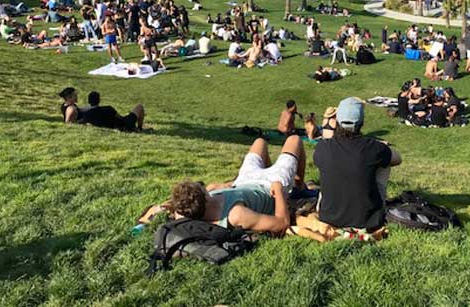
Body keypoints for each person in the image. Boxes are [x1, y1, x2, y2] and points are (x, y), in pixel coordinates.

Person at [167, 135, 306, 234]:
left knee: (260, 142)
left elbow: (183, 203)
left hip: (243, 181)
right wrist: (279, 191)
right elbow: (281, 223)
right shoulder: (237, 215)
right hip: (270, 185)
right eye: (202, 187)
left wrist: (221, 186)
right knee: (294, 140)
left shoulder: (190, 208)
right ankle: (299, 186)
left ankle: (269, 168)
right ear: (206, 198)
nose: (205, 186)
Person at [313, 97, 402, 231]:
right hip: (368, 220)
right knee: (385, 163)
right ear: (362, 122)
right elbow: (397, 158)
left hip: (328, 217)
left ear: (337, 121)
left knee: (331, 165)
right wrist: (382, 147)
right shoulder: (373, 148)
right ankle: (376, 204)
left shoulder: (323, 147)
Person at [59, 87, 145, 131]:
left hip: (109, 125)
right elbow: (68, 124)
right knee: (139, 107)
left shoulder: (65, 106)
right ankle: (139, 129)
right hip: (122, 125)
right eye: (75, 95)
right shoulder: (72, 109)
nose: (76, 96)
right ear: (69, 97)